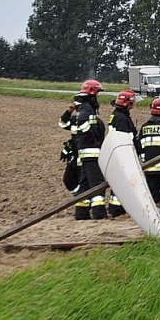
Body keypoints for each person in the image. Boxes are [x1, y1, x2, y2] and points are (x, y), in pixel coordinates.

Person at [60, 79, 107, 220]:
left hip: (84, 154)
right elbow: (83, 125)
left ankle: (81, 213)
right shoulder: (87, 108)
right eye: (97, 93)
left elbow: (66, 124)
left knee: (84, 186)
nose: (98, 96)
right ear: (92, 93)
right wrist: (90, 136)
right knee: (97, 184)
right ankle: (99, 214)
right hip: (92, 153)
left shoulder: (83, 108)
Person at [105, 90, 139, 217]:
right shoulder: (122, 119)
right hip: (124, 156)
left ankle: (116, 208)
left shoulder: (117, 115)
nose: (133, 105)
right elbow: (125, 140)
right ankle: (117, 209)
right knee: (122, 183)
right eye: (131, 103)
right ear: (127, 104)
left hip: (118, 155)